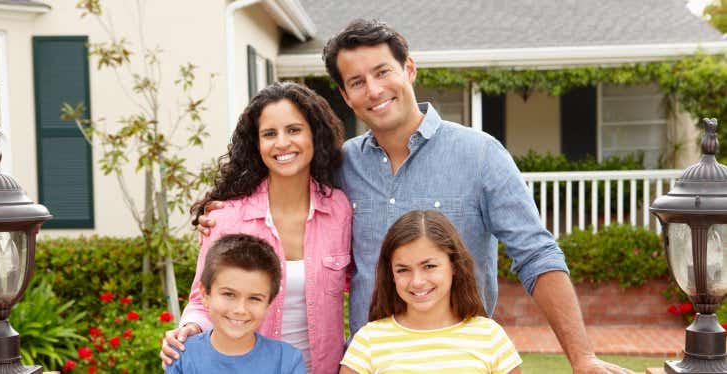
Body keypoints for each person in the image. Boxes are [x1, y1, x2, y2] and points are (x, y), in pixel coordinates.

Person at [199, 20, 630, 373]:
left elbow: (537, 255)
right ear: (346, 96)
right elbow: (282, 179)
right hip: (372, 362)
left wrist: (582, 357)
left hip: (462, 361)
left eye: (383, 71)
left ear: (409, 69)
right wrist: (223, 213)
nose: (374, 89)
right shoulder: (340, 166)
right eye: (357, 81)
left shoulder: (480, 155)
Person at [161, 82, 352, 374]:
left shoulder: (339, 209)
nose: (282, 143)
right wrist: (188, 329)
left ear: (315, 135)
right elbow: (204, 298)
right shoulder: (226, 218)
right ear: (257, 144)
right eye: (269, 134)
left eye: (294, 130)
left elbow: (360, 282)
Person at [340, 210, 522, 374]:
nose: (417, 281)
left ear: (454, 265)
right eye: (403, 270)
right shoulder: (369, 341)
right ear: (391, 274)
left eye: (429, 266)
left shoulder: (490, 337)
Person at [166, 234, 304, 374]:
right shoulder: (182, 355)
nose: (240, 309)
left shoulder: (287, 360)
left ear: (268, 304)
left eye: (254, 298)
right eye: (229, 294)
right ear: (204, 294)